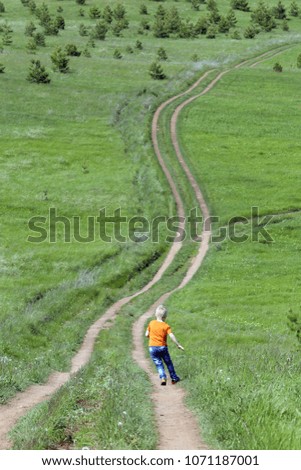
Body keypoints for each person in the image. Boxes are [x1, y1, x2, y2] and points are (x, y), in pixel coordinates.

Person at [145, 304, 184, 386]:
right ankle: (174, 378)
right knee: (168, 363)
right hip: (162, 347)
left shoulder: (151, 323)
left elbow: (146, 334)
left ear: (156, 315)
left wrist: (151, 337)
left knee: (158, 363)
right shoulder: (166, 326)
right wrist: (178, 344)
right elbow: (171, 335)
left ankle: (163, 377)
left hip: (152, 347)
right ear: (165, 317)